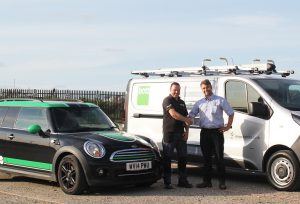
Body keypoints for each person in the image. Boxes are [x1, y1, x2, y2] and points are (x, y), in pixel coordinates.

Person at [189, 79, 234, 190]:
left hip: (216, 133)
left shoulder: (220, 100)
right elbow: (192, 114)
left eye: (207, 87)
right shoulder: (199, 103)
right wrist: (185, 119)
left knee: (219, 158)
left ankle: (222, 182)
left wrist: (227, 126)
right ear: (202, 89)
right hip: (204, 133)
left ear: (211, 87)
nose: (205, 90)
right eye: (203, 88)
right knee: (206, 159)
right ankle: (206, 182)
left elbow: (231, 113)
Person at [162, 82, 193, 189]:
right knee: (167, 158)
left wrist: (187, 131)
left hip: (181, 134)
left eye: (178, 90)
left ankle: (182, 181)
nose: (176, 92)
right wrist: (187, 120)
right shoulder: (167, 100)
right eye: (175, 89)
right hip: (169, 134)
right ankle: (167, 182)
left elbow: (186, 118)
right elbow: (173, 114)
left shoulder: (182, 102)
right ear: (170, 90)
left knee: (183, 158)